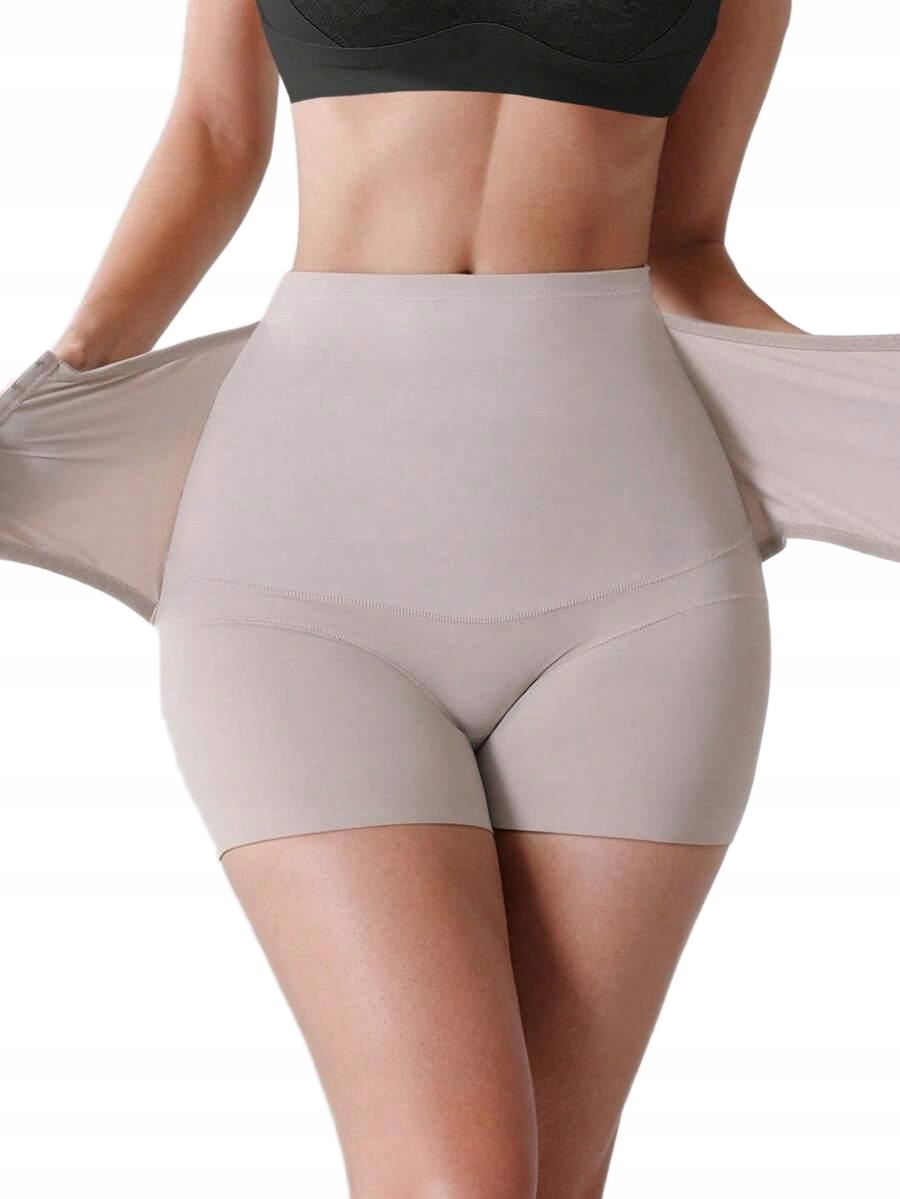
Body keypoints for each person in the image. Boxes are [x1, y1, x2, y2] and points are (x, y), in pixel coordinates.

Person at [4, 3, 800, 1195]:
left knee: (550, 1177)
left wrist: (867, 409)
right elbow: (214, 139)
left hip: (634, 570)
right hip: (299, 562)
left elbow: (685, 245)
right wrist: (52, 390)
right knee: (462, 1173)